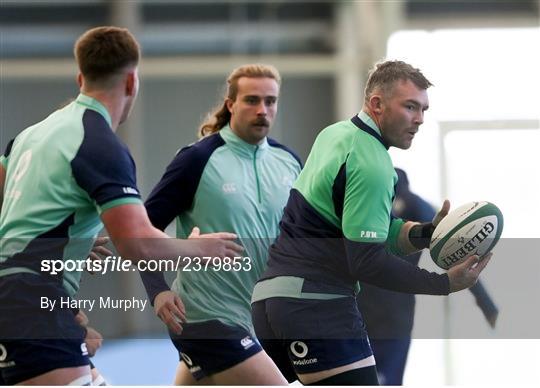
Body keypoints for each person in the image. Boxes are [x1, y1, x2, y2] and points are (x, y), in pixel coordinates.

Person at [0, 26, 241, 386]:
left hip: (25, 298)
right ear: (132, 82)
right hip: (32, 302)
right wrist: (200, 248)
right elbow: (137, 244)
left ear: (81, 77)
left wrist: (69, 248)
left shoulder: (26, 138)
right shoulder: (99, 143)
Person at [251, 60, 493, 385]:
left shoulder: (336, 134)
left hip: (271, 300)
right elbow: (367, 260)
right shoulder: (375, 164)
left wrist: (426, 234)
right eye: (410, 107)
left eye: (424, 109)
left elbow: (366, 230)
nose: (420, 119)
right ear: (376, 104)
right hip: (316, 306)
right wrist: (444, 283)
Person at [139, 64, 302, 385]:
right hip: (204, 315)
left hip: (260, 321)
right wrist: (157, 291)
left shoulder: (290, 162)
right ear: (231, 105)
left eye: (270, 101)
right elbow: (141, 232)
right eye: (252, 100)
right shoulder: (197, 159)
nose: (262, 110)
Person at [357, 167, 499, 385]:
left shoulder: (411, 205)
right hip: (366, 314)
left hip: (388, 317)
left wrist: (486, 303)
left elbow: (454, 251)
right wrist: (486, 304)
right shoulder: (365, 208)